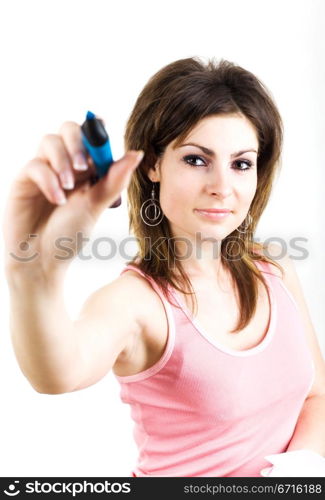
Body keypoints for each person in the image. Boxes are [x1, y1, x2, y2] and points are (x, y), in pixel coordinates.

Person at [3, 57, 325, 478]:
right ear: (154, 164)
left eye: (241, 163)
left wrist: (297, 473)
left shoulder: (274, 269)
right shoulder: (137, 303)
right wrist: (32, 279)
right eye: (196, 159)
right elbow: (56, 373)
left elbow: (315, 397)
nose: (222, 187)